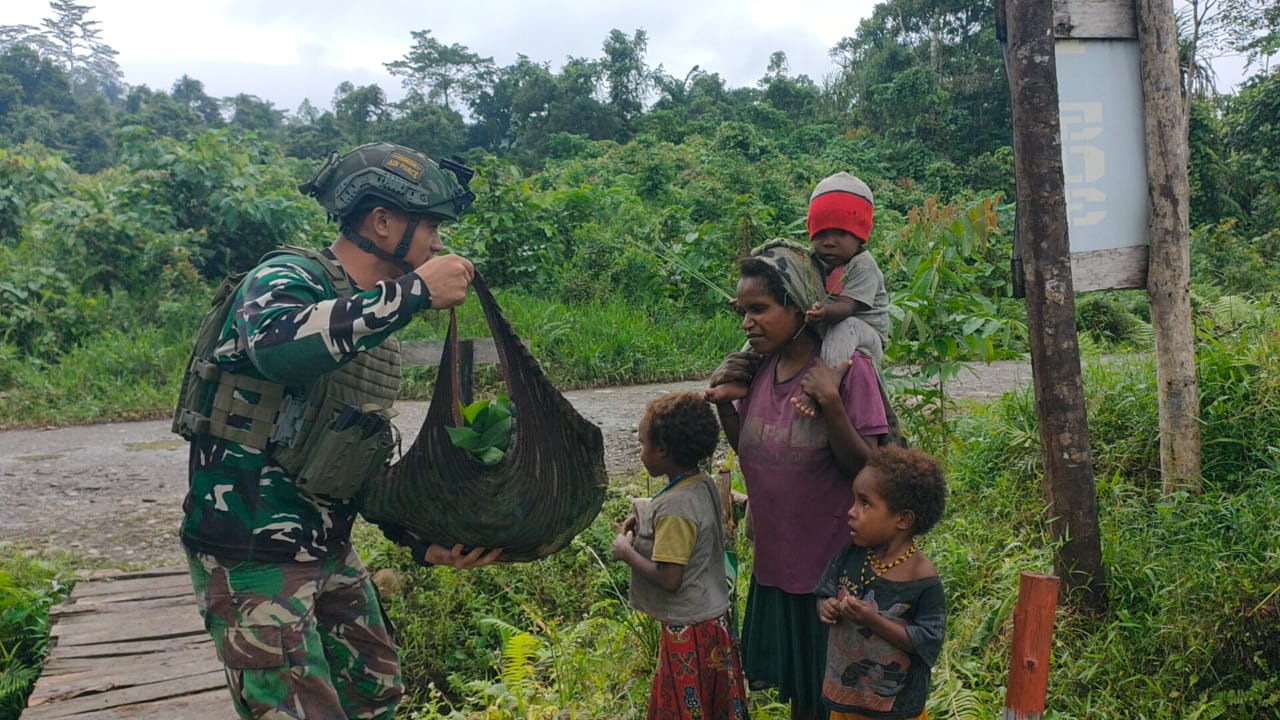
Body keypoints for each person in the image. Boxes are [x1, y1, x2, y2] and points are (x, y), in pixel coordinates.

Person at [173, 142, 501, 719]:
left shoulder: (368, 317)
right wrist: (415, 292)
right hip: (255, 557)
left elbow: (345, 457)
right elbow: (276, 346)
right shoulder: (287, 278)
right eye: (431, 228)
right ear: (382, 221)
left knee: (374, 695)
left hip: (327, 549)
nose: (439, 245)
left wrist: (420, 542)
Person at [705, 241, 890, 720]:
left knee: (836, 702)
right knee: (803, 703)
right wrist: (726, 402)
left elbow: (869, 468)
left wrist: (830, 403)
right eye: (743, 311)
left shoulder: (848, 371)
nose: (747, 323)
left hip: (832, 578)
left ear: (797, 303)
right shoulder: (762, 368)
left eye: (759, 309)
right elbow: (753, 450)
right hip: (778, 570)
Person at [612, 391, 751, 720]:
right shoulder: (699, 483)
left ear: (661, 450)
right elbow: (683, 516)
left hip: (688, 631)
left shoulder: (675, 509)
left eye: (643, 443)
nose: (640, 450)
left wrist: (626, 552)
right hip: (714, 618)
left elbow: (669, 578)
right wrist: (645, 514)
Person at [815, 445, 947, 720]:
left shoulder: (921, 576)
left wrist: (874, 621)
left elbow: (929, 640)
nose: (851, 512)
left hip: (896, 709)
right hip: (847, 703)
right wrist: (825, 606)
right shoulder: (850, 556)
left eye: (865, 503)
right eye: (854, 501)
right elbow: (825, 593)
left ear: (903, 519)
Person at [796, 172, 890, 418]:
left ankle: (823, 386)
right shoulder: (812, 261)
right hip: (827, 323)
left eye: (840, 233)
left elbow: (847, 307)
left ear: (859, 235)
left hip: (865, 334)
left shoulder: (863, 265)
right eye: (822, 234)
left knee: (844, 325)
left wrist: (824, 312)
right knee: (770, 320)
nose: (829, 242)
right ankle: (742, 366)